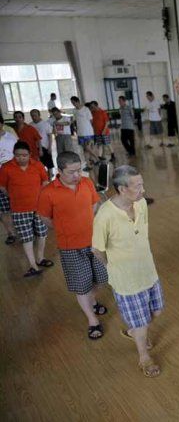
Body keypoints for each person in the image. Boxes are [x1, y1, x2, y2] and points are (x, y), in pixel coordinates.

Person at [92, 165, 164, 377]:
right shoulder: (105, 215)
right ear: (122, 189)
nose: (143, 190)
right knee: (141, 323)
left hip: (148, 272)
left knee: (156, 312)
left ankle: (133, 330)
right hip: (126, 281)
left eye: (142, 184)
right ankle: (144, 357)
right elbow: (97, 249)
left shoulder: (141, 203)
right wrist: (112, 267)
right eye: (138, 186)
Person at [37, 151, 109, 340]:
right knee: (82, 285)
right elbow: (44, 217)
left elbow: (94, 204)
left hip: (94, 242)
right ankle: (92, 320)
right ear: (59, 171)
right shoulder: (48, 192)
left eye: (79, 170)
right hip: (70, 247)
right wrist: (64, 228)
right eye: (72, 172)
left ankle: (92, 301)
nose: (77, 175)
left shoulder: (87, 183)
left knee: (102, 278)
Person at [0, 141, 51, 277]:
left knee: (42, 234)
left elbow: (45, 181)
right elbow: (2, 187)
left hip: (39, 207)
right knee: (26, 237)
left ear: (30, 154)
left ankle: (40, 258)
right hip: (19, 210)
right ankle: (33, 265)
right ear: (13, 154)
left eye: (24, 155)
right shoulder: (6, 167)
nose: (21, 158)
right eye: (17, 155)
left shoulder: (38, 165)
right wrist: (13, 196)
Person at [0, 124, 18, 244]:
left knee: (17, 204)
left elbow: (19, 155)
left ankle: (23, 228)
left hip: (13, 176)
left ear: (1, 124)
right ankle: (10, 233)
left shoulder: (11, 138)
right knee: (3, 208)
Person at [70, 96, 99, 171]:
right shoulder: (74, 110)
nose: (73, 104)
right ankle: (89, 165)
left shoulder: (86, 109)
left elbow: (91, 120)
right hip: (80, 133)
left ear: (78, 101)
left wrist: (87, 128)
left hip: (88, 132)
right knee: (85, 150)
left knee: (87, 148)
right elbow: (74, 120)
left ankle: (97, 159)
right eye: (72, 103)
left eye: (74, 102)